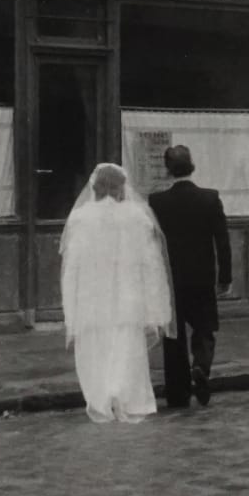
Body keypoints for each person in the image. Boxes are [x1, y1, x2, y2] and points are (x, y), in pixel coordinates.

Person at [59, 162, 174, 425]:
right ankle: (125, 397)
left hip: (92, 296)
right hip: (128, 295)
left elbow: (72, 266)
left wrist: (71, 306)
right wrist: (155, 305)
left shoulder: (80, 218)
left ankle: (101, 398)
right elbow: (151, 264)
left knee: (95, 350)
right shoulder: (137, 216)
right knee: (126, 349)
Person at [148, 145, 232, 408]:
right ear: (192, 165)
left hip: (171, 280)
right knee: (204, 327)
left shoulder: (157, 202)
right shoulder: (209, 198)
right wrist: (225, 277)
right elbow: (222, 241)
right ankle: (201, 367)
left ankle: (178, 392)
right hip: (202, 276)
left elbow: (152, 244)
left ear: (168, 169)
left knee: (174, 336)